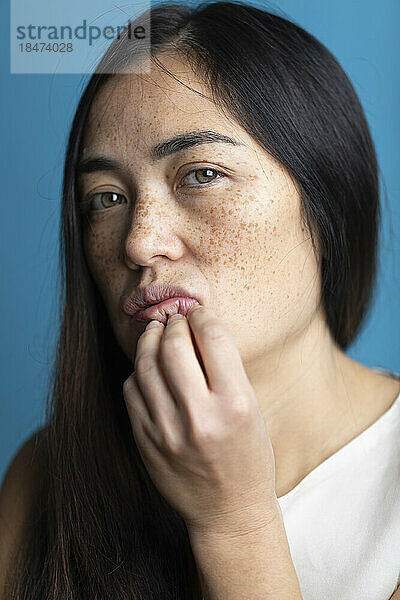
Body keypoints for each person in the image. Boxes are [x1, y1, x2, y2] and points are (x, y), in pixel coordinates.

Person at [1, 1, 399, 598]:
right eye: (106, 199)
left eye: (202, 174)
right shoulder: (45, 478)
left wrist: (235, 527)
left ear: (326, 202)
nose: (138, 242)